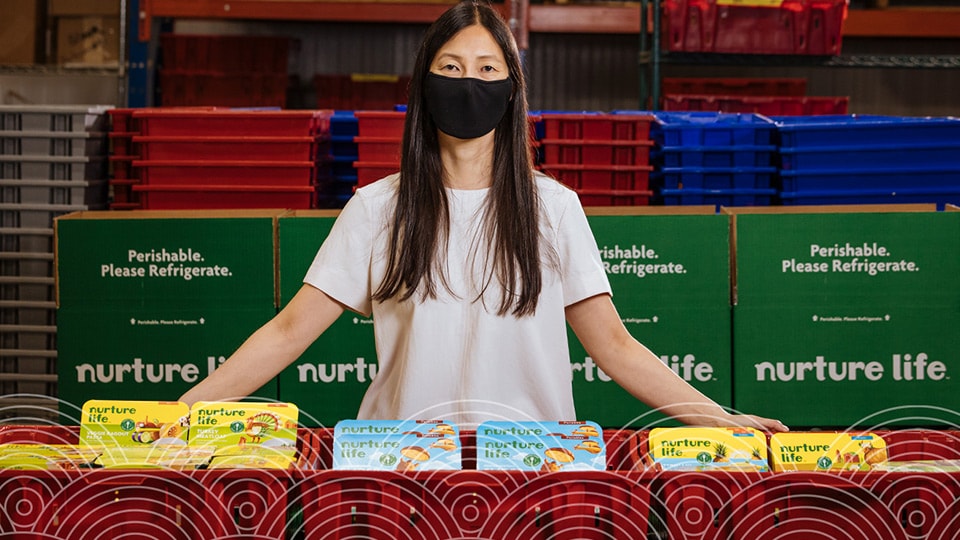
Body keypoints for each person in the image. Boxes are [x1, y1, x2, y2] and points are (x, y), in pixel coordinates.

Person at [180, 0, 787, 433]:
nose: (468, 83)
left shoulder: (554, 209)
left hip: (533, 467)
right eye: (450, 68)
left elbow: (616, 346)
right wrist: (182, 412)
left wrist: (720, 420)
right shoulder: (376, 208)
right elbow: (288, 332)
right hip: (404, 467)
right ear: (423, 83)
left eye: (487, 69)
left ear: (512, 88)